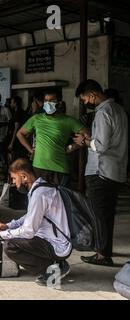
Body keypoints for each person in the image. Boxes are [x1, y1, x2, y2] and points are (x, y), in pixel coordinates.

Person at [0, 158, 71, 284]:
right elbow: (28, 217)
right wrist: (7, 226)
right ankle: (55, 263)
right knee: (13, 237)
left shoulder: (39, 194)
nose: (14, 183)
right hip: (50, 239)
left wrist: (0, 235)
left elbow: (28, 231)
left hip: (55, 244)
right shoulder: (39, 188)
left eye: (15, 179)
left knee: (10, 246)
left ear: (24, 176)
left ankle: (53, 268)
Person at [73, 80, 129, 266]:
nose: (86, 103)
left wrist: (85, 141)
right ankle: (105, 250)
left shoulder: (103, 112)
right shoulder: (119, 110)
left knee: (99, 215)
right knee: (107, 215)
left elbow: (102, 145)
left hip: (101, 171)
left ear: (93, 95)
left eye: (85, 99)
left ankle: (102, 255)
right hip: (116, 171)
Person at [17, 90, 89, 186]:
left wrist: (73, 147)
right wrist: (31, 150)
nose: (48, 103)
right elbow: (20, 134)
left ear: (59, 102)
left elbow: (88, 135)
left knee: (58, 199)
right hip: (38, 167)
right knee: (39, 198)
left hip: (59, 169)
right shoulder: (36, 118)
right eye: (46, 100)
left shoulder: (68, 121)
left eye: (51, 100)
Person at [7, 96, 29, 161]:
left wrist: (11, 143)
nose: (10, 104)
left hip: (17, 140)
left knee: (17, 158)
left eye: (11, 102)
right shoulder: (22, 112)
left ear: (15, 103)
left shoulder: (18, 113)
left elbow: (16, 128)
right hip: (21, 138)